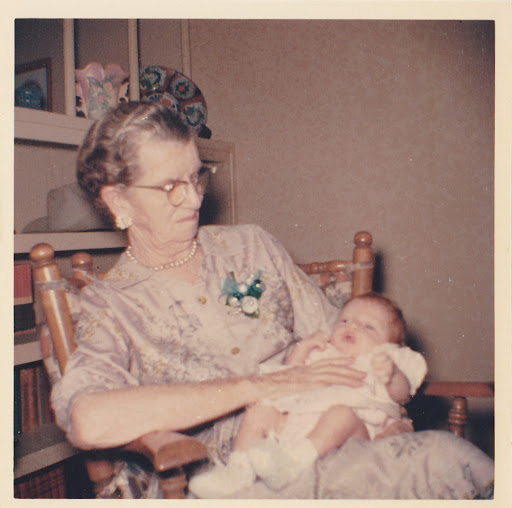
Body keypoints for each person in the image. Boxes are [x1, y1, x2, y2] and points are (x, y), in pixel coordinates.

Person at [50, 101, 493, 499]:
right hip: (221, 480)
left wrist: (388, 410)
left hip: (323, 444)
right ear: (118, 201)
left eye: (197, 176)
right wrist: (262, 386)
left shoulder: (251, 248)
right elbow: (89, 420)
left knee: (447, 459)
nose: (194, 199)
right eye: (171, 187)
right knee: (446, 462)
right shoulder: (111, 304)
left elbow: (351, 345)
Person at [188, 293, 427, 497]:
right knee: (260, 412)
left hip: (353, 436)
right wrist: (301, 350)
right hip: (296, 430)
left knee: (340, 414)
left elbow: (402, 395)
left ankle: (291, 466)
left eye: (368, 327)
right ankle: (237, 471)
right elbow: (285, 379)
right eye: (344, 320)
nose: (352, 326)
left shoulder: (384, 358)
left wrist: (392, 374)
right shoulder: (321, 352)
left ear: (390, 343)